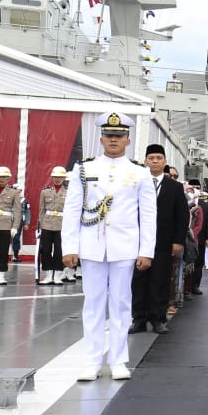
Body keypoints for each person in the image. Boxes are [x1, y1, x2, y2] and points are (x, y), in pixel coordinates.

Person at [63, 111, 156, 381]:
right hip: (91, 244)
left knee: (121, 303)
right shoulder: (84, 169)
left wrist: (146, 251)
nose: (114, 140)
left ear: (128, 140)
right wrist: (70, 246)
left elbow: (148, 215)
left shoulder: (139, 172)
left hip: (125, 247)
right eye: (109, 135)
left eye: (119, 136)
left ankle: (118, 360)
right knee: (92, 304)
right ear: (101, 139)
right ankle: (92, 361)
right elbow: (71, 211)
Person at [131, 145, 188, 335]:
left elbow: (182, 215)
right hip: (138, 243)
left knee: (160, 281)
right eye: (151, 158)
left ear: (164, 162)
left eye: (158, 158)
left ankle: (158, 319)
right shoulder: (136, 183)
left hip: (164, 242)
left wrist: (178, 240)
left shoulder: (175, 187)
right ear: (145, 161)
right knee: (138, 282)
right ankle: (138, 319)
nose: (155, 161)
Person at [37, 167, 70, 284]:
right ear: (52, 178)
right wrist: (39, 226)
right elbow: (41, 209)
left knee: (59, 250)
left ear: (63, 178)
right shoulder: (45, 191)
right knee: (45, 250)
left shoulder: (69, 192)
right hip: (47, 223)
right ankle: (48, 274)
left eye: (60, 177)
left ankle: (57, 274)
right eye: (55, 177)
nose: (57, 179)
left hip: (62, 224)